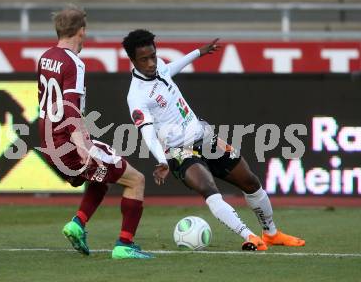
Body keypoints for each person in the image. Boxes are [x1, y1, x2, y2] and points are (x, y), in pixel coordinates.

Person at [122, 29, 305, 251]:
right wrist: (161, 160)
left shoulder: (159, 65)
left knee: (251, 182)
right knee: (209, 189)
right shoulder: (137, 96)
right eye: (144, 59)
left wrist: (198, 52)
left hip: (204, 136)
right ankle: (248, 235)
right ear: (132, 60)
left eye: (153, 55)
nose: (151, 63)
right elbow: (147, 132)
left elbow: (170, 69)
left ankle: (271, 233)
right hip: (179, 151)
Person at [37, 5, 152, 259]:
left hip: (49, 147)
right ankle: (125, 245)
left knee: (100, 176)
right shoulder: (74, 64)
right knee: (136, 180)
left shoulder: (45, 57)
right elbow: (71, 111)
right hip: (69, 145)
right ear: (81, 31)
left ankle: (77, 224)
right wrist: (82, 145)